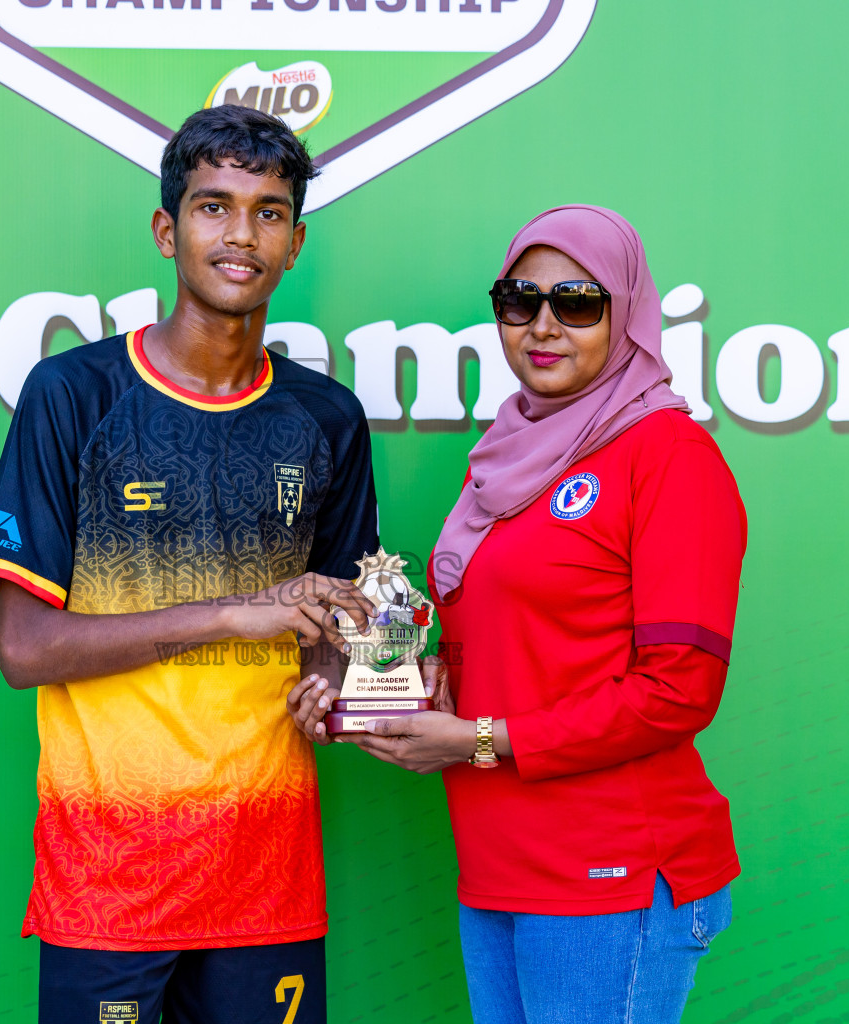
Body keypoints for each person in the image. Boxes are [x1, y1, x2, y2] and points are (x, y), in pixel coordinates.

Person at [0, 105, 379, 1024]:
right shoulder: (74, 395)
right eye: (213, 206)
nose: (242, 235)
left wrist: (332, 680)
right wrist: (235, 614)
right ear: (167, 229)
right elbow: (24, 649)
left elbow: (342, 624)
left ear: (296, 242)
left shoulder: (328, 419)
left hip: (265, 878)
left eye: (269, 212)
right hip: (111, 883)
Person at [291, 206, 746, 1024]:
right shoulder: (510, 452)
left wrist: (474, 741)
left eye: (577, 302)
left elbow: (680, 691)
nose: (543, 326)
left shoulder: (668, 456)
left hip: (612, 871)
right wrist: (405, 698)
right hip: (498, 863)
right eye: (518, 300)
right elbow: (521, 650)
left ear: (627, 312)